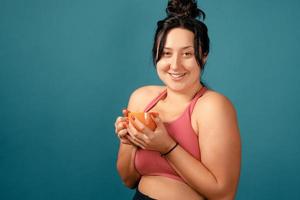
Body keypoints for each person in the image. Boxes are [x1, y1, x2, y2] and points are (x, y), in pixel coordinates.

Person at [114, 0, 241, 199]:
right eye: (166, 53)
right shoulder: (142, 98)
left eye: (187, 54)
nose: (175, 65)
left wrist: (167, 146)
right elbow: (128, 180)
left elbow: (223, 194)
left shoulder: (213, 106)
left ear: (204, 55)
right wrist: (129, 141)